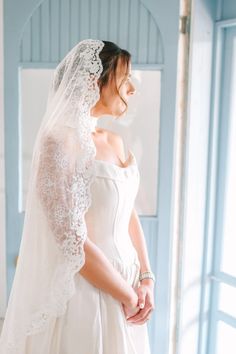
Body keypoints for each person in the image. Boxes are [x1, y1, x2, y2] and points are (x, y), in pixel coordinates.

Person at [0, 39, 155, 354]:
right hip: (87, 292)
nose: (132, 89)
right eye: (125, 79)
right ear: (94, 80)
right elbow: (69, 239)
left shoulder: (116, 141)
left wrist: (146, 278)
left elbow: (128, 213)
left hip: (131, 287)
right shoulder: (58, 143)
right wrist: (125, 294)